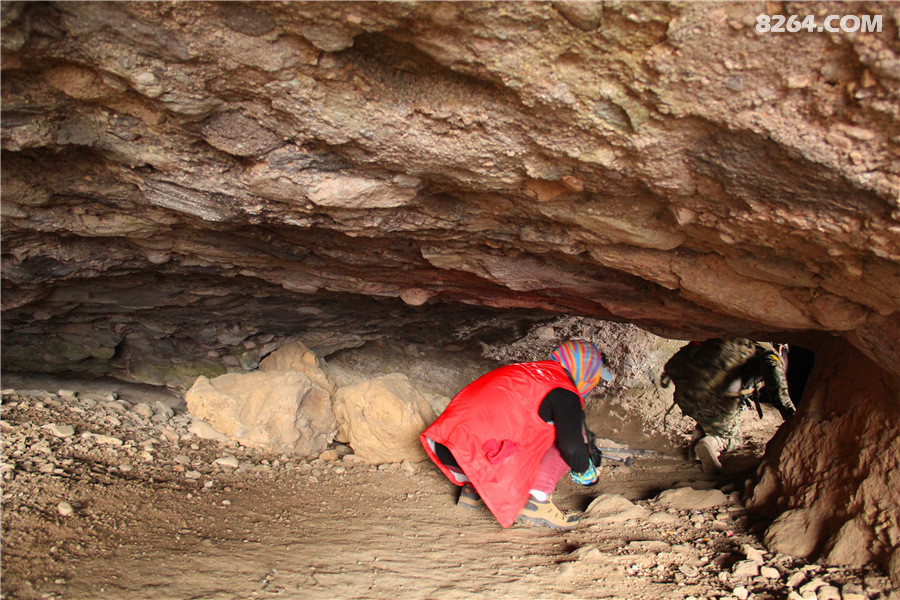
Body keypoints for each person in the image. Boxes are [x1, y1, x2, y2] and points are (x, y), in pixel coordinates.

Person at [421, 340, 614, 530]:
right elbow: (571, 447)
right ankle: (537, 500)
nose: (594, 384)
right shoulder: (565, 392)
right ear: (586, 373)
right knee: (564, 434)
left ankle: (474, 489)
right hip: (478, 455)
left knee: (531, 426)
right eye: (595, 377)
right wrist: (585, 471)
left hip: (448, 444)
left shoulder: (525, 370)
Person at [661, 338, 795, 474]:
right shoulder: (767, 351)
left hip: (683, 395)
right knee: (732, 437)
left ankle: (694, 449)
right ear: (780, 347)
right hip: (711, 398)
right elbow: (776, 379)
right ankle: (713, 442)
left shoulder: (734, 341)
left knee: (711, 410)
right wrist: (789, 412)